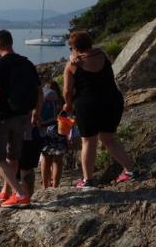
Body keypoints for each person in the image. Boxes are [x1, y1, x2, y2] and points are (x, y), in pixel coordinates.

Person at [63, 30, 135, 187]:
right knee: (109, 139)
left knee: (88, 142)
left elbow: (67, 91)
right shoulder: (103, 55)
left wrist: (68, 105)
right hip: (112, 101)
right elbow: (91, 54)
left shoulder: (72, 66)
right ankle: (130, 171)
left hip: (88, 105)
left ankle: (88, 180)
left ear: (74, 48)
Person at [0, 30, 42, 208]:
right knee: (13, 156)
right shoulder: (27, 63)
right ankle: (6, 191)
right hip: (23, 116)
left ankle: (20, 193)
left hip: (3, 117)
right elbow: (39, 92)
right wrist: (36, 113)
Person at [40, 80, 66, 188]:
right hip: (59, 130)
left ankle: (45, 185)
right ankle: (55, 185)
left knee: (46, 159)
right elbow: (67, 115)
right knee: (58, 160)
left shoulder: (42, 100)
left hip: (45, 130)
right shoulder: (61, 100)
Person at [18, 126, 43, 197]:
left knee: (25, 168)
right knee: (27, 168)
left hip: (25, 135)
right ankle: (27, 196)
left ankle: (25, 197)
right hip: (31, 133)